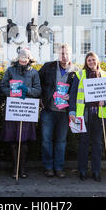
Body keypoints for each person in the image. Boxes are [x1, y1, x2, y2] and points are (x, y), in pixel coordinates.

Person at [69, 51, 106, 182]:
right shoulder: (79, 75)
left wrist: (105, 102)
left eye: (93, 60)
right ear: (86, 62)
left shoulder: (105, 75)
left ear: (97, 61)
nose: (92, 62)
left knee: (98, 144)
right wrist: (72, 112)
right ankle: (82, 171)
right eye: (89, 60)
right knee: (83, 144)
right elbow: (73, 95)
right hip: (84, 114)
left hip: (99, 115)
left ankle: (96, 171)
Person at [0, 48, 41, 178]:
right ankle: (14, 168)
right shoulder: (10, 70)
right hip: (13, 109)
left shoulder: (34, 72)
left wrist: (26, 90)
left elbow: (38, 90)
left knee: (24, 141)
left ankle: (22, 169)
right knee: (13, 141)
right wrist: (12, 93)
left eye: (26, 58)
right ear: (18, 58)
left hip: (27, 110)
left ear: (29, 59)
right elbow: (3, 86)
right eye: (21, 57)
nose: (23, 60)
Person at [38, 44, 78, 178]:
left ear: (70, 54)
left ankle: (59, 167)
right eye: (61, 53)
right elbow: (37, 83)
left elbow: (79, 91)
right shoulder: (48, 67)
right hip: (48, 109)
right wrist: (40, 98)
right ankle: (48, 167)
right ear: (57, 54)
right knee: (46, 140)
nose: (64, 56)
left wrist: (70, 96)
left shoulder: (76, 71)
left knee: (61, 141)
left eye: (66, 53)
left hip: (65, 112)